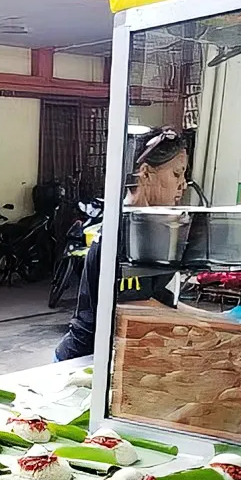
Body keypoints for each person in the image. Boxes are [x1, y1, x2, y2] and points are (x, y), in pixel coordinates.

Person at [55, 127, 189, 361]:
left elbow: (163, 303)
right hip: (87, 360)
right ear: (146, 174)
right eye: (177, 174)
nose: (184, 184)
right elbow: (138, 309)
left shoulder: (149, 226)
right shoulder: (124, 231)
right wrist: (209, 323)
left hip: (123, 357)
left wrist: (224, 320)